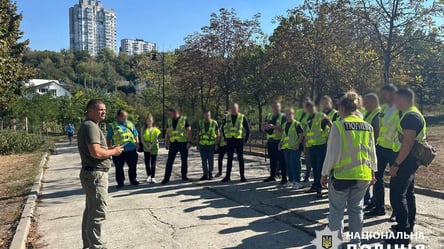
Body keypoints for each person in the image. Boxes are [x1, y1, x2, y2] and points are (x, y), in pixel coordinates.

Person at [321, 91, 377, 247]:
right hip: (363, 176)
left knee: (336, 212)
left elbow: (332, 153)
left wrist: (324, 173)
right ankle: (356, 242)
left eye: (338, 106)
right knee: (356, 210)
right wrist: (373, 171)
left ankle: (335, 244)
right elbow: (371, 152)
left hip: (342, 176)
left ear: (342, 108)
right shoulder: (368, 127)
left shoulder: (338, 126)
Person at [77, 99, 124, 249]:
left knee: (91, 211)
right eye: (100, 110)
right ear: (90, 110)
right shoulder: (90, 126)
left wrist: (108, 148)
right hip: (95, 175)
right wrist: (113, 152)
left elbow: (97, 149)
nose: (103, 112)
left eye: (104, 109)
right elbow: (96, 152)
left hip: (93, 173)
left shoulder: (90, 125)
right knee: (98, 212)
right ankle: (96, 246)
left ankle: (88, 244)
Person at [386, 88, 426, 245]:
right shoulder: (412, 114)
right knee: (409, 194)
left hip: (405, 161)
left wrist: (396, 164)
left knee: (398, 195)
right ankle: (407, 225)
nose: (394, 103)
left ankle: (403, 231)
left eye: (396, 99)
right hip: (410, 161)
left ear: (403, 99)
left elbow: (407, 144)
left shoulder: (410, 116)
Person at [366, 84, 400, 217]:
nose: (384, 96)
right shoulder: (384, 108)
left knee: (395, 181)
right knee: (376, 177)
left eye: (386, 94)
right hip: (381, 147)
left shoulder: (400, 109)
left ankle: (396, 211)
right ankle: (379, 206)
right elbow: (379, 127)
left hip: (393, 149)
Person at [303, 101, 332, 198]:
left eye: (312, 107)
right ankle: (315, 185)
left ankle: (320, 188)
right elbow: (307, 134)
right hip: (312, 147)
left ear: (315, 107)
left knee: (320, 168)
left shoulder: (321, 116)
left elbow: (331, 125)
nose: (311, 109)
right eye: (309, 108)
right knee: (314, 168)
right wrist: (306, 147)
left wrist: (330, 139)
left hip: (321, 146)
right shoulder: (308, 119)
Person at [106, 109, 140, 188]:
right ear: (118, 117)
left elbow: (135, 134)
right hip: (118, 150)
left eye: (126, 116)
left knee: (132, 166)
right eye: (123, 116)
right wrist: (109, 148)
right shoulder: (113, 125)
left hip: (131, 149)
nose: (125, 118)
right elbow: (108, 138)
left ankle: (133, 179)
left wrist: (137, 144)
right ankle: (120, 182)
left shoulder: (130, 124)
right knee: (119, 167)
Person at [221, 103, 250, 182]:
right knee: (229, 159)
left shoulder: (242, 117)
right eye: (232, 108)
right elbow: (223, 128)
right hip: (230, 140)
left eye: (235, 108)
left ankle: (242, 176)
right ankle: (227, 176)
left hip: (239, 140)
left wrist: (246, 139)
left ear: (238, 108)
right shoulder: (227, 117)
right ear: (230, 109)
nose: (233, 109)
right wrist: (225, 138)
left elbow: (247, 129)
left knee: (240, 159)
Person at [162, 108, 192, 184]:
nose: (170, 115)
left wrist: (189, 142)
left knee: (184, 160)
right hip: (173, 143)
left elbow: (189, 130)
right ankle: (166, 178)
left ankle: (184, 176)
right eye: (169, 114)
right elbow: (167, 133)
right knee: (169, 161)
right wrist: (166, 142)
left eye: (171, 114)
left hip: (183, 142)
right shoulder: (169, 121)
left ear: (176, 112)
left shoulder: (184, 119)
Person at [362, 93, 381, 209]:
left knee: (374, 177)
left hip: (374, 149)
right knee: (367, 176)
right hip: (366, 149)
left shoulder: (378, 114)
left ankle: (375, 201)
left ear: (373, 102)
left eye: (367, 102)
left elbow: (377, 133)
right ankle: (367, 200)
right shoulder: (367, 113)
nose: (364, 105)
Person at [262, 102, 287, 184]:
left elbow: (284, 129)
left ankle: (284, 178)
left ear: (280, 107)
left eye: (277, 107)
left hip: (279, 141)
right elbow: (263, 128)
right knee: (272, 160)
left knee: (282, 160)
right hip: (270, 141)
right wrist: (264, 126)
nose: (276, 108)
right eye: (274, 107)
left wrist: (274, 127)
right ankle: (272, 176)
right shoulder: (269, 116)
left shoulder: (283, 117)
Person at [279, 108, 304, 189]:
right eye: (287, 114)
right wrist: (280, 143)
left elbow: (301, 136)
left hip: (295, 148)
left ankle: (297, 181)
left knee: (295, 164)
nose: (288, 116)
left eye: (290, 114)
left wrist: (297, 144)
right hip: (287, 147)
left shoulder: (297, 124)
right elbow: (284, 136)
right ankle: (290, 180)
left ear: (293, 114)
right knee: (288, 165)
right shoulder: (285, 124)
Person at [197, 110, 220, 180]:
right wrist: (197, 144)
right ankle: (205, 174)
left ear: (210, 115)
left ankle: (210, 174)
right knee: (203, 160)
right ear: (203, 115)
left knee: (210, 160)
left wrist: (216, 144)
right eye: (206, 115)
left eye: (208, 115)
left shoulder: (214, 123)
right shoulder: (200, 123)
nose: (207, 116)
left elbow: (218, 134)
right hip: (202, 145)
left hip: (211, 145)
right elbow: (198, 134)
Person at [141, 114, 161, 183]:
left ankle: (153, 177)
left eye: (150, 120)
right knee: (147, 162)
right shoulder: (143, 129)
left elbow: (155, 139)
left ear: (152, 121)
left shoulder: (156, 130)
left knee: (153, 163)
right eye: (148, 120)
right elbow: (142, 139)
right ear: (146, 121)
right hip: (146, 147)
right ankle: (148, 175)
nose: (149, 121)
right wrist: (146, 147)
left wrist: (151, 147)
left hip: (154, 147)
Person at [215, 112, 229, 178]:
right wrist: (217, 143)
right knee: (220, 159)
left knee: (229, 159)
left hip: (228, 144)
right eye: (224, 117)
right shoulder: (221, 125)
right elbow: (219, 135)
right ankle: (220, 172)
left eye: (225, 117)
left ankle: (228, 173)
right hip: (222, 144)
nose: (224, 119)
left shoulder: (229, 125)